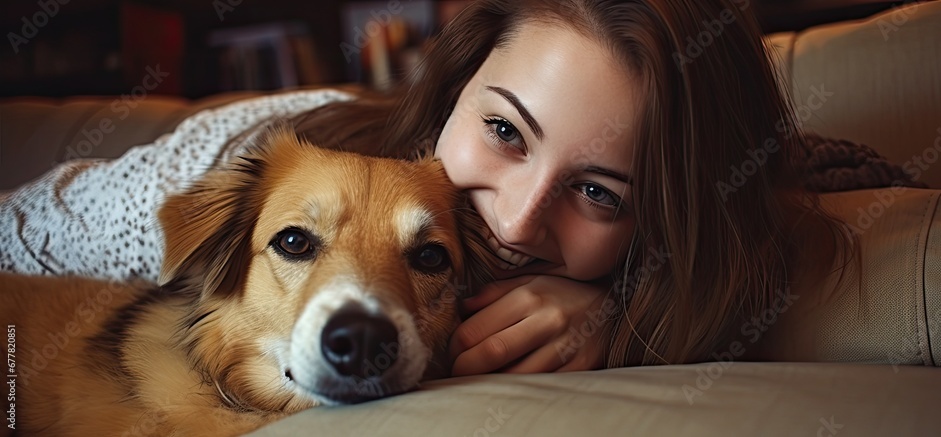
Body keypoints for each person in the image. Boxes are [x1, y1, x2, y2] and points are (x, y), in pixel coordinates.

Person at [0, 0, 850, 376]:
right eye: (506, 131)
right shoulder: (248, 168)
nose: (514, 220)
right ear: (450, 93)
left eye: (601, 193)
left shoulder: (658, 250)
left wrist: (624, 310)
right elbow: (20, 236)